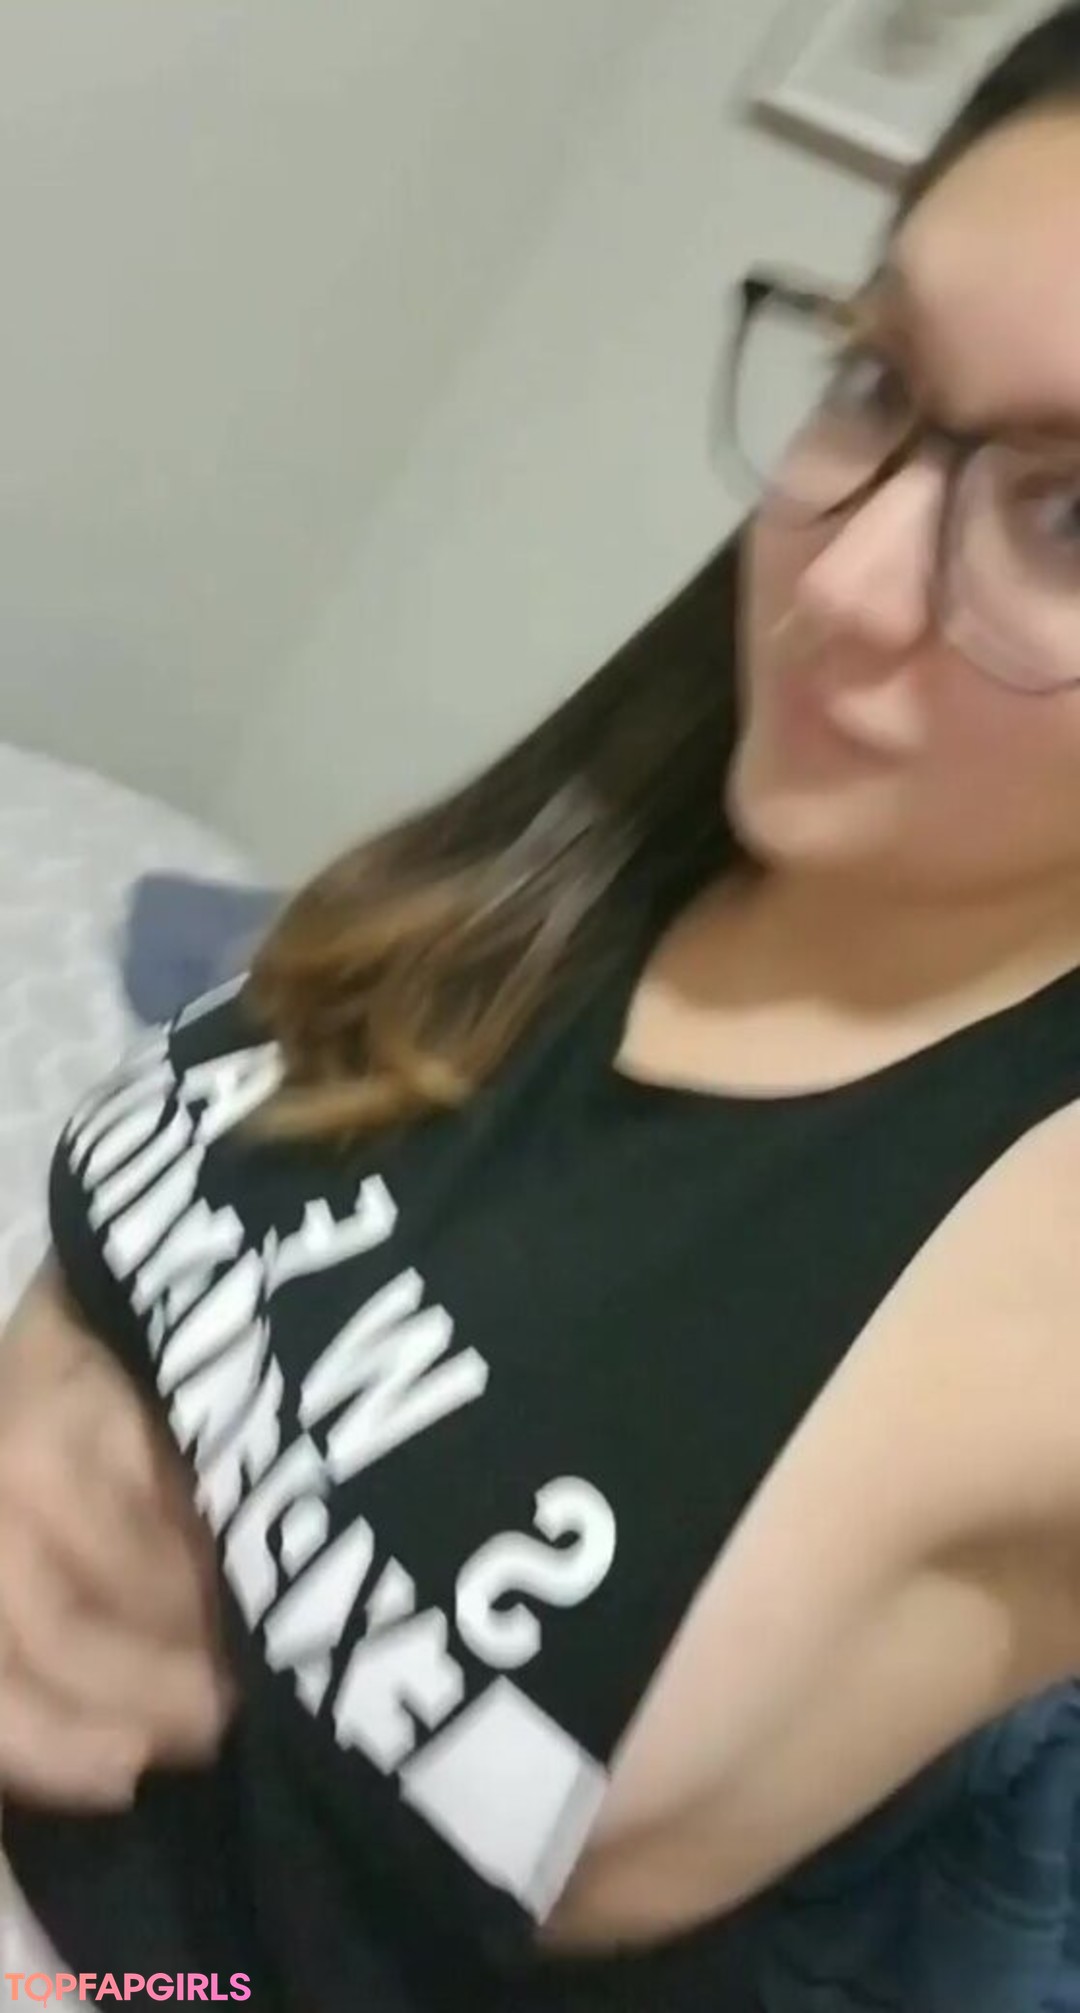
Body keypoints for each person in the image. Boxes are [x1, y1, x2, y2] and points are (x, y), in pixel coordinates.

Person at [7, 5, 1080, 2007]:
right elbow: (166, 1201)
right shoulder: (645, 801)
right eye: (875, 377)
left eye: (1071, 518)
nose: (840, 584)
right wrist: (52, 1368)